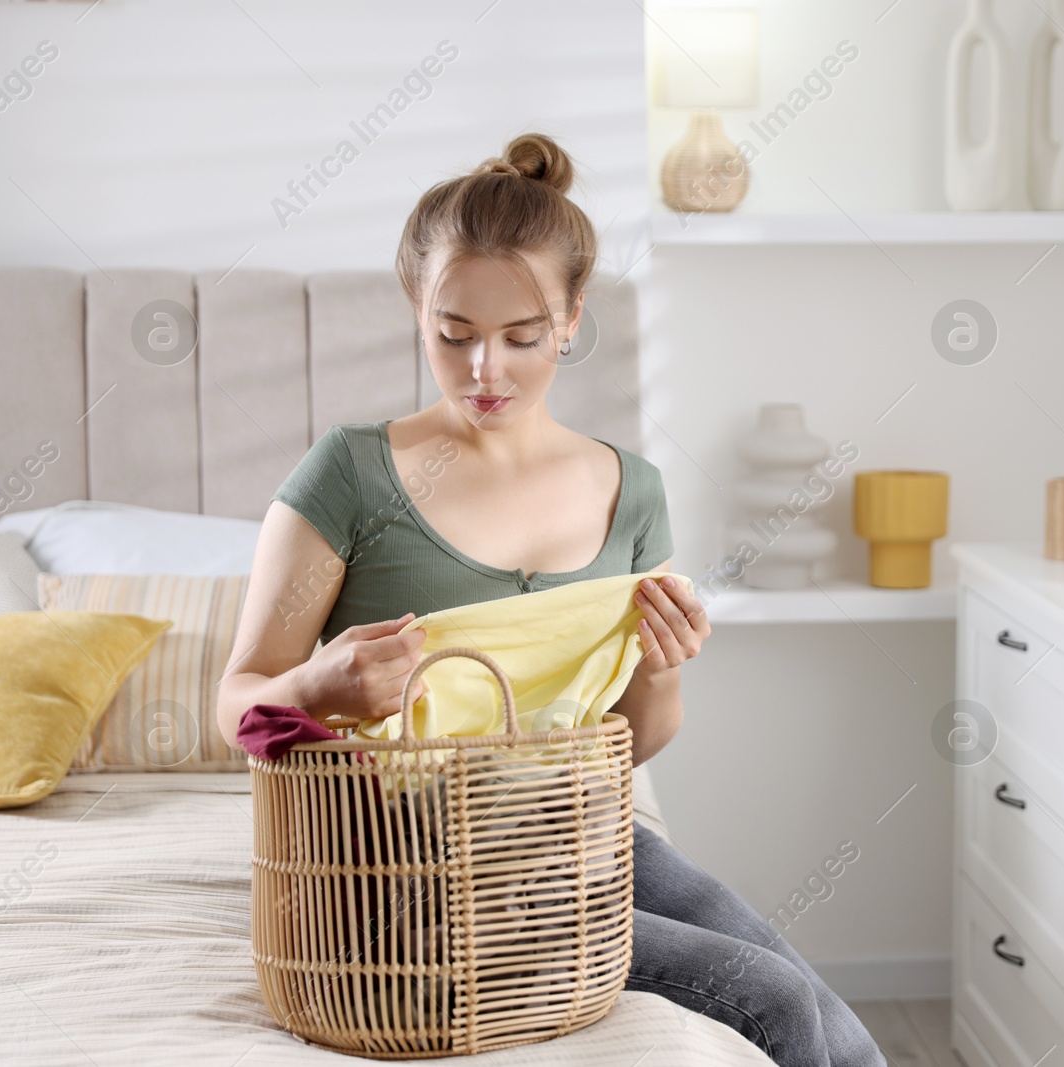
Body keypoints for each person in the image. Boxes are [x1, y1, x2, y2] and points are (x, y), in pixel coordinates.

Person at [216, 132, 884, 1067]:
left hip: (577, 823)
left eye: (522, 337)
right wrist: (323, 682)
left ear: (572, 319)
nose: (486, 369)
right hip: (409, 856)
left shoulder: (633, 491)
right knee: (766, 995)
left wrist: (659, 665)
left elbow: (633, 737)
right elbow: (234, 702)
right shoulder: (351, 474)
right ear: (418, 307)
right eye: (455, 334)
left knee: (801, 980)